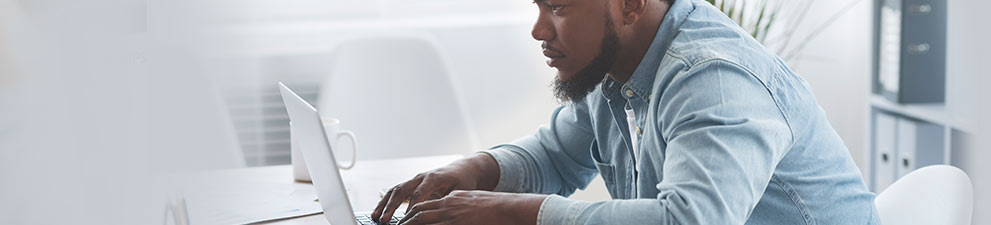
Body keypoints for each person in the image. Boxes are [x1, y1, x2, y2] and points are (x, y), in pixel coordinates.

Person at [374, 0, 880, 224]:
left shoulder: (713, 79)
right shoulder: (613, 67)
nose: (538, 30)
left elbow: (690, 223)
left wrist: (513, 213)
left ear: (631, 4)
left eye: (559, 7)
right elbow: (553, 156)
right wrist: (471, 171)